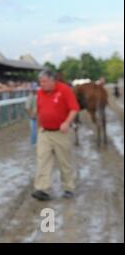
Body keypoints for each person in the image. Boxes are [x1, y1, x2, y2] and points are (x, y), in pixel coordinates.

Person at [32, 70, 80, 201]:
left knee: (64, 161)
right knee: (42, 160)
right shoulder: (40, 92)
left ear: (53, 80)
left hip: (61, 133)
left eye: (44, 81)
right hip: (45, 132)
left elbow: (74, 108)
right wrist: (39, 130)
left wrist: (67, 122)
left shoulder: (64, 90)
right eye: (40, 82)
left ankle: (68, 188)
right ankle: (42, 189)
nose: (41, 84)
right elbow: (40, 111)